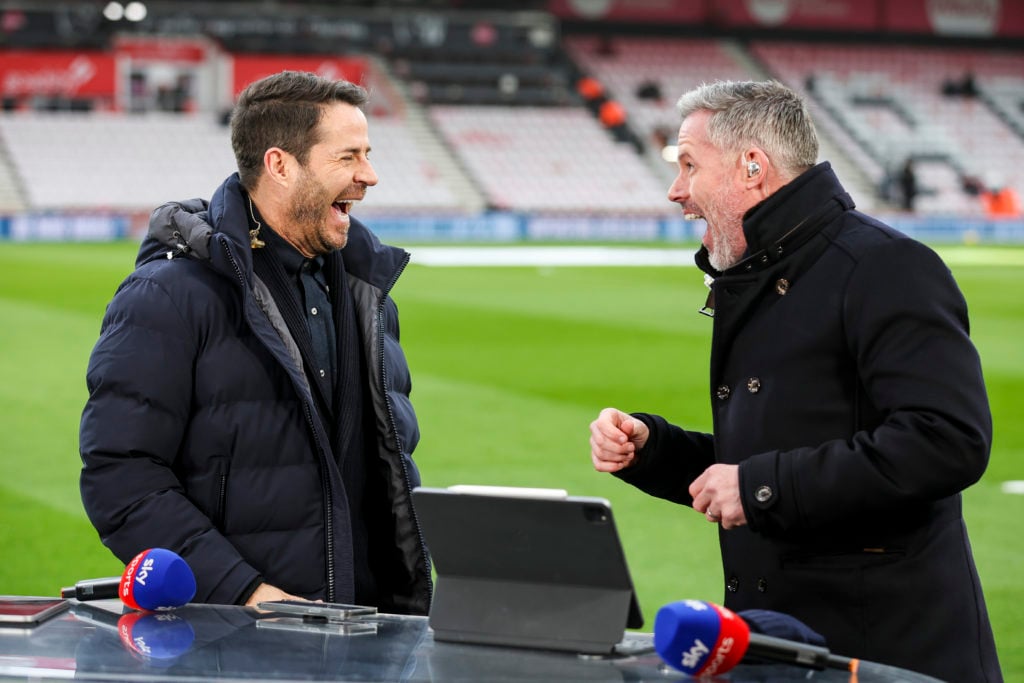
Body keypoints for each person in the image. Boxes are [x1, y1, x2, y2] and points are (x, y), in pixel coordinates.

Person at [589, 80, 1001, 682]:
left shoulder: (883, 266)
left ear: (751, 166)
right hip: (781, 646)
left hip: (884, 652)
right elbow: (761, 464)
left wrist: (759, 485)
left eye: (688, 165)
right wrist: (653, 450)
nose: (676, 191)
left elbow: (946, 440)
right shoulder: (762, 274)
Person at [79, 71, 431, 614]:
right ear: (280, 165)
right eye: (349, 157)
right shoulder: (169, 296)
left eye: (368, 154)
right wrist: (245, 594)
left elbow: (389, 471)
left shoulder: (371, 296)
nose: (371, 175)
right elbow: (121, 473)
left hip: (369, 636)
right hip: (233, 645)